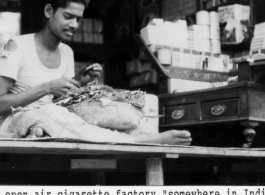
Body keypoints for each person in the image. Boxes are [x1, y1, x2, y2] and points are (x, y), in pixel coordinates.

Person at [0, 0, 192, 145]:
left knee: (103, 109)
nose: (74, 25)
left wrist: (80, 81)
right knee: (52, 113)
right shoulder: (17, 46)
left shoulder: (66, 52)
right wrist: (47, 87)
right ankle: (136, 142)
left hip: (55, 117)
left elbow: (61, 100)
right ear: (49, 11)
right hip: (15, 120)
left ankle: (142, 135)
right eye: (68, 16)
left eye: (78, 19)